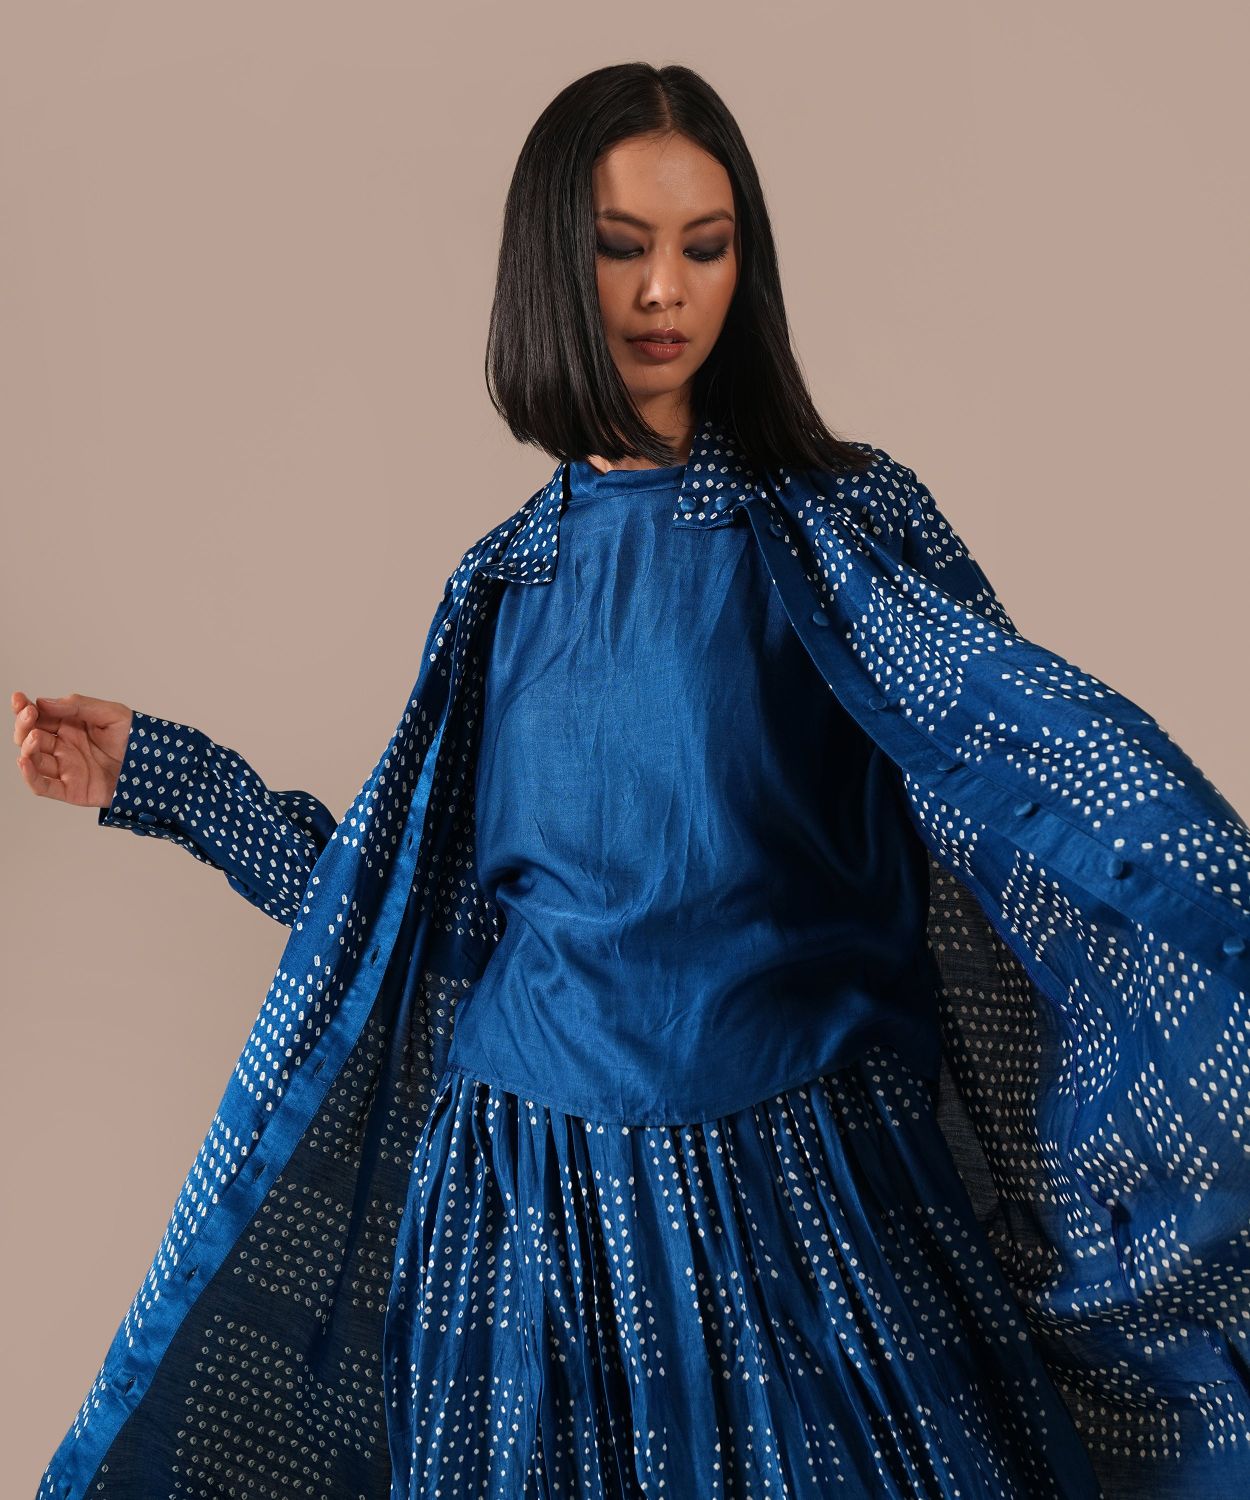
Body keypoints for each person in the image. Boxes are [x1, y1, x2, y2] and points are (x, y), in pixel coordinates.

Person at [19, 62, 1250, 1500]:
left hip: (802, 1205)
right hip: (522, 1230)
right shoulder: (502, 584)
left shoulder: (840, 532)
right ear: (551, 263)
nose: (667, 290)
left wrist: (1202, 890)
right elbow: (405, 917)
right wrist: (169, 781)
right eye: (622, 247)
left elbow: (1024, 789)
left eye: (705, 247)